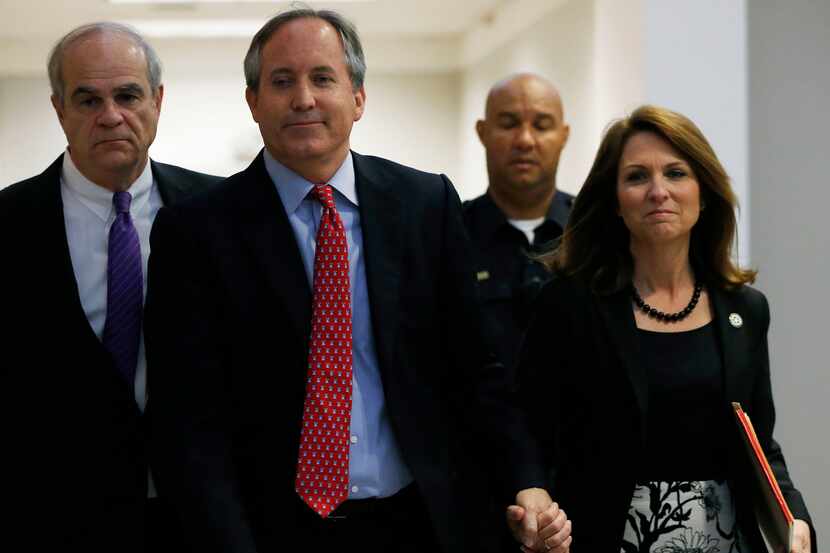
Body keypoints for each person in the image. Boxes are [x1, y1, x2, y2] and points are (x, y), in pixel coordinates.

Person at [144, 7, 570, 553]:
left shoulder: (424, 206)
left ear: (359, 97)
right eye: (282, 81)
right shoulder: (197, 230)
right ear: (253, 102)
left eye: (323, 78)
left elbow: (475, 369)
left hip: (417, 524)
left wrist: (527, 480)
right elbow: (188, 420)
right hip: (271, 531)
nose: (304, 99)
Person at [517, 105, 816, 552]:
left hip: (725, 540)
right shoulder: (569, 305)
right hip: (609, 537)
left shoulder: (745, 310)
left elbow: (760, 443)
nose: (659, 191)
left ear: (705, 191)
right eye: (637, 177)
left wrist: (796, 520)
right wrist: (533, 497)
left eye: (676, 173)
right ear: (615, 201)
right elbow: (528, 429)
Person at [0, 22, 221, 552]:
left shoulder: (220, 213)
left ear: (158, 101)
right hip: (50, 516)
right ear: (59, 110)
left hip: (198, 515)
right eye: (87, 99)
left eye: (127, 95)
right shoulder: (9, 225)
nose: (111, 115)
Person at [464, 73, 572, 372]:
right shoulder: (449, 234)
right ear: (483, 132)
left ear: (564, 135)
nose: (525, 140)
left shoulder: (596, 232)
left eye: (541, 125)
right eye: (509, 124)